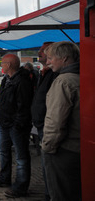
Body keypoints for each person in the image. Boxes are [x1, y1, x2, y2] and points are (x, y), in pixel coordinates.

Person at [0, 54, 34, 198]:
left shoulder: (22, 81)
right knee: (4, 151)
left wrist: (17, 125)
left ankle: (20, 187)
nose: (1, 65)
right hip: (5, 123)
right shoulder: (6, 79)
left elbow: (24, 106)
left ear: (8, 65)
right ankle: (4, 178)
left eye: (3, 63)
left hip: (16, 126)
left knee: (21, 157)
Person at [42, 41, 81, 201]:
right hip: (78, 148)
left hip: (63, 150)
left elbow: (55, 122)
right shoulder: (82, 77)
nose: (48, 62)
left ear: (64, 59)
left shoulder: (63, 82)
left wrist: (47, 147)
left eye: (50, 58)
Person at [30, 42, 57, 200]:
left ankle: (51, 195)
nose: (38, 52)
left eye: (42, 51)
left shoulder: (56, 75)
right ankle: (49, 193)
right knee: (46, 164)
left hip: (49, 127)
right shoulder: (45, 73)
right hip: (42, 125)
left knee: (51, 165)